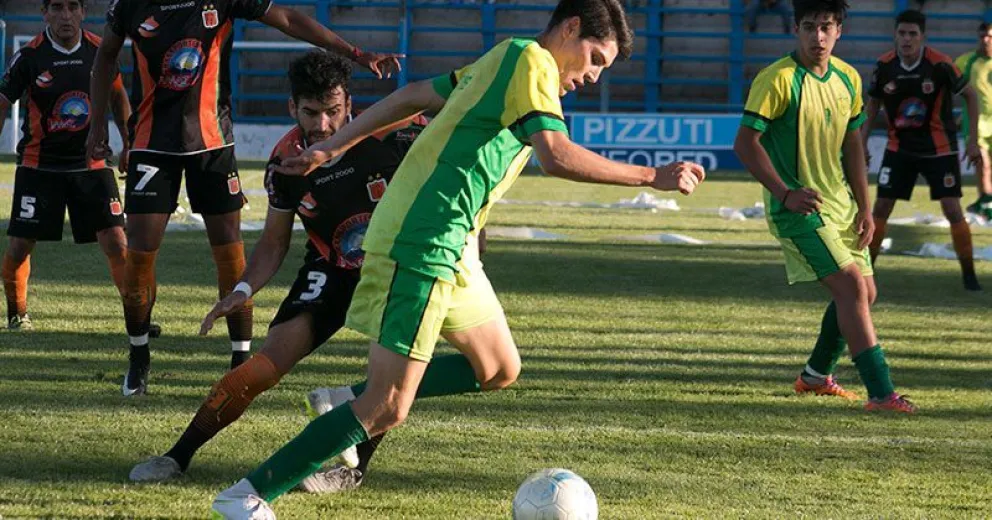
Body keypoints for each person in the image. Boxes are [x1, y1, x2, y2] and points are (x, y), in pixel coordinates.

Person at [210, 0, 707, 516]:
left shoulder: (505, 57)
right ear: (572, 28)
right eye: (596, 58)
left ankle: (342, 401)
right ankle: (245, 496)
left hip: (455, 244)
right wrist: (654, 176)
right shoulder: (533, 63)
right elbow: (555, 156)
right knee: (387, 406)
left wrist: (335, 144)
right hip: (425, 238)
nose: (594, 76)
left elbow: (414, 94)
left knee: (497, 368)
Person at [127, 50, 422, 492]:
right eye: (310, 112)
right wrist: (243, 289)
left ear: (350, 104)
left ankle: (351, 471)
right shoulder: (285, 163)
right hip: (331, 268)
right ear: (292, 108)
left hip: (397, 271)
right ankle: (177, 456)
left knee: (393, 382)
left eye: (333, 112)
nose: (322, 124)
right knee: (260, 369)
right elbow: (274, 243)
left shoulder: (394, 134)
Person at [86, 0, 403, 396]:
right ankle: (139, 358)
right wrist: (98, 124)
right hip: (152, 144)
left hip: (212, 143)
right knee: (140, 255)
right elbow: (105, 58)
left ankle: (239, 360)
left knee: (230, 255)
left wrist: (356, 54)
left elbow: (288, 18)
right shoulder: (128, 5)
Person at [734, 0, 915, 414]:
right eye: (810, 27)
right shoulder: (776, 79)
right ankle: (881, 393)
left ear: (839, 31)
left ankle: (815, 376)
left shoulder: (848, 78)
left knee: (866, 292)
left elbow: (854, 146)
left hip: (840, 205)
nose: (818, 37)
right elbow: (745, 144)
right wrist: (784, 193)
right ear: (796, 28)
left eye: (826, 28)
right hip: (797, 209)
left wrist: (864, 208)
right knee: (851, 286)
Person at [0, 0, 131, 331]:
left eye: (73, 7)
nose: (66, 16)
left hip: (91, 163)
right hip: (39, 165)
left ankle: (136, 313)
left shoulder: (100, 51)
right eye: (57, 8)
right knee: (20, 244)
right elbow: (2, 103)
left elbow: (118, 98)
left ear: (83, 12)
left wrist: (129, 143)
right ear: (44, 13)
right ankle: (17, 313)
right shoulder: (29, 57)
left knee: (117, 239)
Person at [864, 10, 983, 291]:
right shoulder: (884, 66)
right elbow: (873, 104)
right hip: (899, 147)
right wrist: (862, 141)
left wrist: (973, 140)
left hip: (938, 148)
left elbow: (970, 95)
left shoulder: (940, 65)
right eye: (902, 33)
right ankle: (867, 271)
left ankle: (969, 275)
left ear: (922, 37)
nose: (906, 39)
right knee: (881, 206)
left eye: (912, 34)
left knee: (952, 209)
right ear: (895, 35)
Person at [956, 23, 992, 219]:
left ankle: (986, 201)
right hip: (976, 121)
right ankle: (986, 198)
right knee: (982, 161)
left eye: (990, 36)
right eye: (983, 36)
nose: (986, 40)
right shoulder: (965, 62)